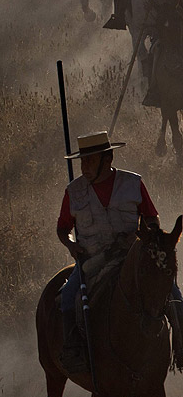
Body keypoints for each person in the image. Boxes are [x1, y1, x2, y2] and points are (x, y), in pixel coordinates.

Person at [57, 131, 183, 372]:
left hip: (133, 256)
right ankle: (74, 349)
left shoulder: (132, 183)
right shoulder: (74, 191)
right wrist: (72, 246)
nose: (84, 166)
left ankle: (181, 344)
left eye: (90, 160)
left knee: (174, 292)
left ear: (108, 159)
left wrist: (144, 234)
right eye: (82, 161)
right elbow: (62, 228)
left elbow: (151, 217)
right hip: (92, 260)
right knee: (67, 295)